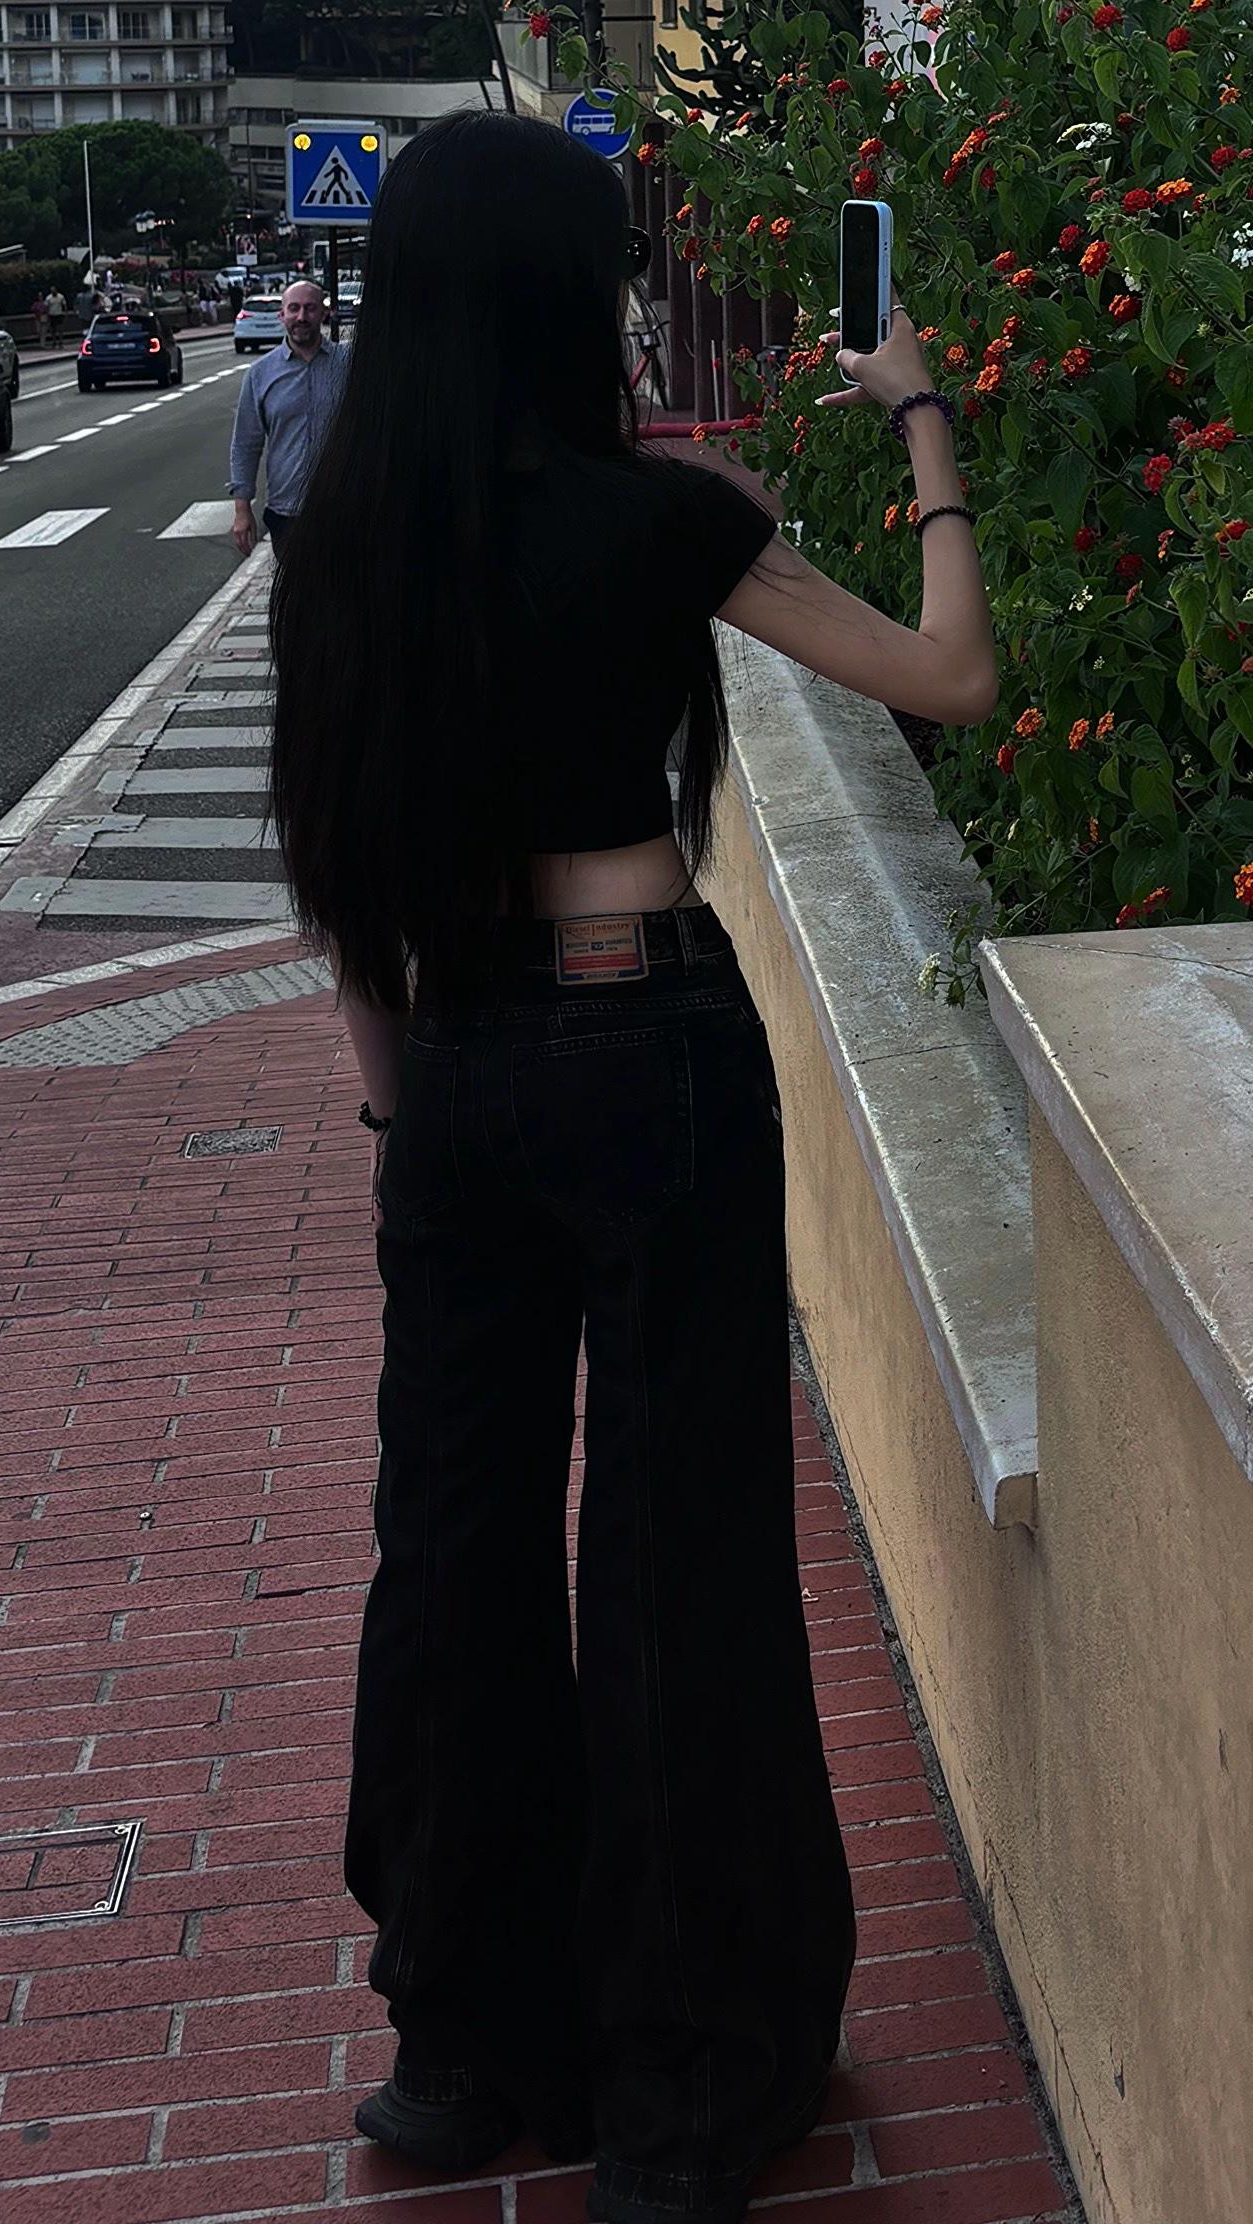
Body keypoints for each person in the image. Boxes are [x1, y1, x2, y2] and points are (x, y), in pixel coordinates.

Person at [268, 114, 997, 2224]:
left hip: (452, 1060)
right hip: (648, 1039)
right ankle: (681, 2092)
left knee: (453, 1540)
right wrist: (922, 418)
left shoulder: (343, 541)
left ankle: (459, 2049)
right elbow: (951, 677)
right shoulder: (662, 519)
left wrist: (402, 1121)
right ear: (568, 296)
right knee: (682, 1554)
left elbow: (339, 886)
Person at [228, 279, 348, 555]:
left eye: (310, 308)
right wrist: (242, 509)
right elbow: (246, 444)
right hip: (287, 511)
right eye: (294, 309)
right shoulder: (260, 374)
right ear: (282, 315)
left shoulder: (349, 366)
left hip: (344, 508)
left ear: (323, 313)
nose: (301, 317)